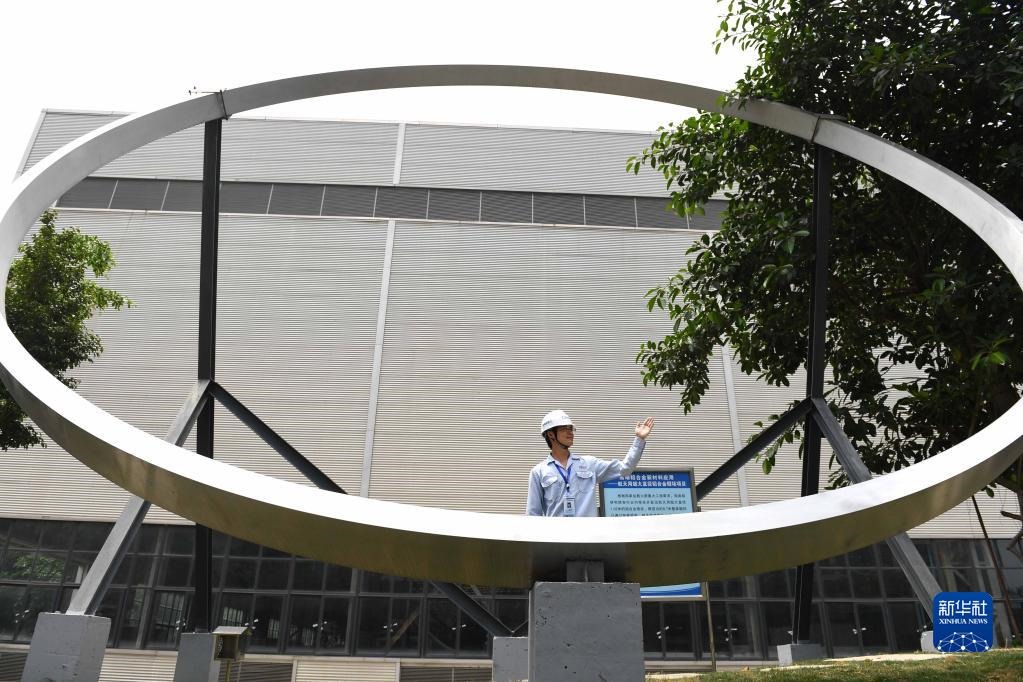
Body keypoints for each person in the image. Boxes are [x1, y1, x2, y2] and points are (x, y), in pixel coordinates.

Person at [526, 409, 655, 517]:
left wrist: (639, 439)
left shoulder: (589, 464)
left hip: (589, 537)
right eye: (564, 429)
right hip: (556, 538)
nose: (570, 432)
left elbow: (625, 468)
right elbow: (533, 515)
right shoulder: (538, 472)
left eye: (571, 428)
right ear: (551, 434)